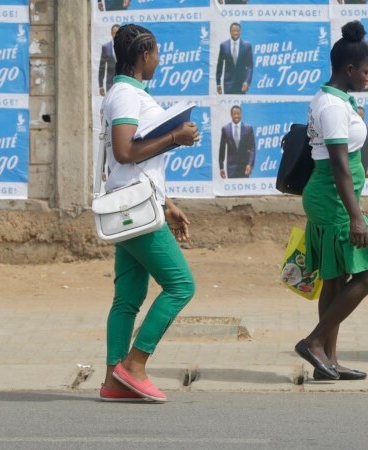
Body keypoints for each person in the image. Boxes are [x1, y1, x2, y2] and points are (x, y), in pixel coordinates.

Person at [97, 24, 200, 403]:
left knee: (127, 298)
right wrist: (176, 137)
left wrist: (168, 206)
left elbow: (134, 165)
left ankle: (112, 379)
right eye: (156, 53)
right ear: (144, 55)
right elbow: (125, 152)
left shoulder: (129, 92)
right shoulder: (125, 95)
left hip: (136, 204)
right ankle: (134, 365)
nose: (159, 60)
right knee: (181, 286)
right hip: (132, 208)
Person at [295, 20, 368, 381]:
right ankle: (314, 343)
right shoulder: (331, 105)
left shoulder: (339, 100)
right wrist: (356, 216)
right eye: (365, 71)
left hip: (333, 197)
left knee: (334, 279)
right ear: (348, 69)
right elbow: (340, 167)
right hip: (334, 199)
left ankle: (327, 361)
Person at [218, 105, 255, 178]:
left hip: (245, 168)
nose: (236, 116)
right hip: (231, 168)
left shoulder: (248, 128)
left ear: (241, 114)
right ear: (231, 115)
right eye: (234, 114)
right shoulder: (225, 129)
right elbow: (222, 150)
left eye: (238, 114)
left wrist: (250, 164)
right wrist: (221, 167)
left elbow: (252, 148)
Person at [216, 23, 253, 95]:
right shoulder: (223, 45)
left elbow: (250, 66)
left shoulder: (247, 46)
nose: (235, 33)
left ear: (240, 31)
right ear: (230, 31)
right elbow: (219, 65)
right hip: (228, 84)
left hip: (242, 85)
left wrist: (247, 81)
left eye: (237, 31)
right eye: (233, 31)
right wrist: (218, 83)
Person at [98, 25, 120, 97]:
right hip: (110, 83)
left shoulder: (125, 47)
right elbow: (102, 67)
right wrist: (101, 85)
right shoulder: (106, 47)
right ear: (111, 33)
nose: (115, 35)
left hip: (123, 82)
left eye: (117, 33)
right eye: (114, 33)